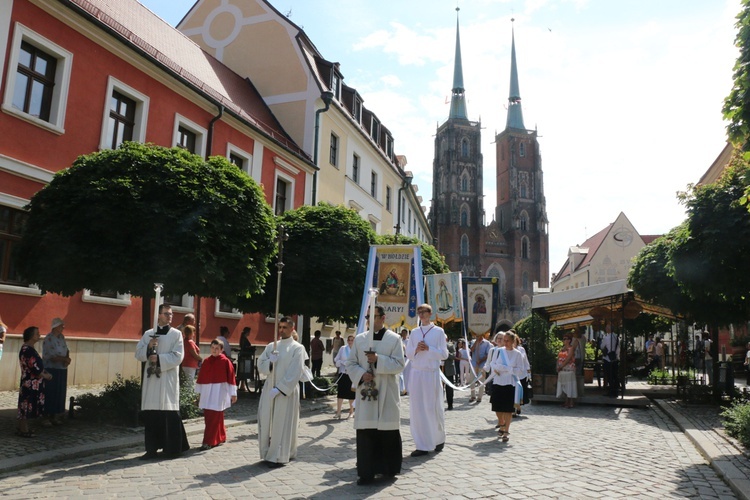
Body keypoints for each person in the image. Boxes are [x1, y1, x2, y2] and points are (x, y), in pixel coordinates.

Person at [346, 305, 405, 485]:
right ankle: (366, 472)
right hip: (366, 393)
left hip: (386, 391)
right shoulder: (360, 339)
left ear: (383, 318)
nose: (370, 321)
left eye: (374, 317)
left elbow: (399, 365)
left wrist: (379, 360)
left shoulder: (394, 339)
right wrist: (362, 375)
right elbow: (351, 363)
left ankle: (388, 468)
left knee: (387, 431)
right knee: (366, 432)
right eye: (368, 317)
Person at [134, 304, 189, 460]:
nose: (169, 317)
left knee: (169, 413)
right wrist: (148, 348)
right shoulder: (148, 334)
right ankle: (151, 449)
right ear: (158, 315)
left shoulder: (176, 334)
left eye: (171, 314)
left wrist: (158, 359)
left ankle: (173, 449)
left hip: (167, 378)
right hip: (152, 380)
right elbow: (138, 354)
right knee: (152, 414)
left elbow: (178, 356)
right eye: (166, 314)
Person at [257, 317, 307, 467]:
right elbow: (260, 365)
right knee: (267, 421)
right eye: (280, 327)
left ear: (292, 329)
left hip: (286, 392)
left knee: (282, 423)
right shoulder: (271, 346)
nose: (281, 330)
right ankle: (267, 452)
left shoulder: (298, 348)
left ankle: (279, 455)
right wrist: (270, 363)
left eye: (285, 327)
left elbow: (295, 371)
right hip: (269, 389)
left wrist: (280, 388)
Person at [406, 303, 448, 457]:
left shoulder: (438, 332)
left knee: (432, 407)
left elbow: (444, 354)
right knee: (417, 409)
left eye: (424, 312)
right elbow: (409, 353)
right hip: (417, 373)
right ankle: (422, 444)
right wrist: (416, 349)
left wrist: (429, 349)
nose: (421, 315)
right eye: (419, 312)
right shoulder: (414, 332)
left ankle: (438, 438)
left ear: (430, 313)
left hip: (431, 373)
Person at [194, 339, 237, 450]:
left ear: (222, 350)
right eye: (212, 348)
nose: (214, 350)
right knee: (210, 416)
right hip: (206, 392)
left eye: (217, 348)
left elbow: (231, 378)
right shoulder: (207, 361)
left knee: (215, 416)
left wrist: (233, 393)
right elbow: (201, 377)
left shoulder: (225, 361)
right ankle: (220, 436)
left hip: (219, 392)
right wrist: (198, 393)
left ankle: (209, 441)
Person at [489, 331, 525, 443]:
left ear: (513, 341)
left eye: (507, 340)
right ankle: (501, 422)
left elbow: (520, 370)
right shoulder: (499, 351)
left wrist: (508, 369)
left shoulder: (517, 354)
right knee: (497, 407)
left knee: (508, 408)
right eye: (504, 340)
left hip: (510, 383)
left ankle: (506, 430)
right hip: (498, 381)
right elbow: (492, 364)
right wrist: (498, 368)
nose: (505, 343)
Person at [17, 326, 52, 437]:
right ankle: (23, 430)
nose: (39, 335)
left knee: (28, 405)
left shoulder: (30, 349)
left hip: (33, 383)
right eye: (37, 333)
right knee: (25, 406)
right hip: (30, 383)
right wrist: (45, 376)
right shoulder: (27, 350)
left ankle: (24, 428)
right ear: (31, 336)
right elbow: (34, 368)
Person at [42, 317, 71, 426]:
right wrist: (64, 359)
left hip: (61, 368)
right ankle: (46, 416)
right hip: (51, 369)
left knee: (59, 392)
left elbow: (66, 349)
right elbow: (51, 356)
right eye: (61, 326)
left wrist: (67, 359)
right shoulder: (49, 338)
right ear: (55, 327)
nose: (63, 328)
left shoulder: (61, 337)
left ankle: (54, 415)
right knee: (50, 392)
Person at [333, 334, 356, 419]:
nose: (350, 342)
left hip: (352, 374)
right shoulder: (343, 348)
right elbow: (336, 359)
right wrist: (341, 362)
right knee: (341, 393)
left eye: (352, 340)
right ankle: (338, 412)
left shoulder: (356, 350)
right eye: (349, 340)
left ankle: (351, 411)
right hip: (343, 373)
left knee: (351, 394)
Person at [470, 332, 492, 403]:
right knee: (472, 381)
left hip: (482, 364)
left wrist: (481, 360)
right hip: (473, 364)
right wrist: (476, 341)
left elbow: (488, 354)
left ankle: (479, 397)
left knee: (481, 381)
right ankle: (473, 396)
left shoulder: (487, 343)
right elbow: (472, 350)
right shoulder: (473, 341)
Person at [556, 335, 577, 408]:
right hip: (562, 370)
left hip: (569, 369)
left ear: (569, 340)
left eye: (565, 339)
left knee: (570, 386)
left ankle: (571, 402)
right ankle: (566, 401)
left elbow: (568, 358)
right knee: (564, 385)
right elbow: (558, 358)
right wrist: (557, 366)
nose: (564, 340)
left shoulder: (571, 349)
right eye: (563, 339)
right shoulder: (562, 349)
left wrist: (561, 366)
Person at [600, 322, 620, 397]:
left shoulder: (606, 337)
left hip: (608, 358)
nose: (605, 329)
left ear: (608, 329)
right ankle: (616, 391)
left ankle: (611, 391)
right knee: (615, 375)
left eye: (606, 328)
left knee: (609, 375)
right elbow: (618, 348)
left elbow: (602, 346)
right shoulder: (617, 337)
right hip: (615, 358)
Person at [237, 326, 254, 392]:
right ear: (247, 332)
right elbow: (245, 347)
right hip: (245, 356)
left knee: (242, 371)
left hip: (243, 356)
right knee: (244, 371)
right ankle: (242, 386)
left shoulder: (243, 338)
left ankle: (242, 385)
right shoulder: (244, 339)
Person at [443, 335, 456, 410]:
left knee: (449, 389)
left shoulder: (451, 346)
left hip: (449, 370)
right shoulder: (437, 346)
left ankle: (450, 404)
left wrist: (446, 353)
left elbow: (453, 356)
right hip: (440, 369)